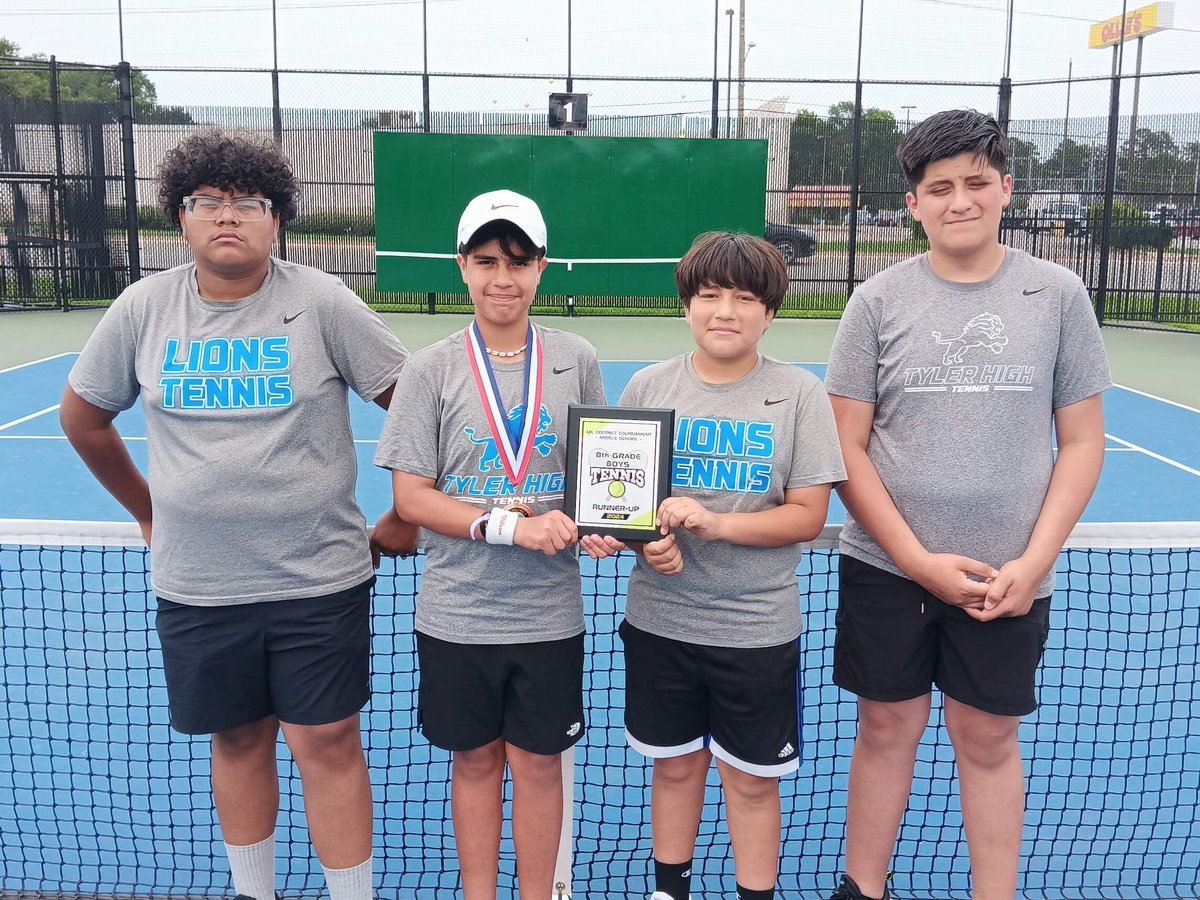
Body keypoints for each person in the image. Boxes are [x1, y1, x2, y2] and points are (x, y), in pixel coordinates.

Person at [60, 130, 414, 900]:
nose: (228, 216)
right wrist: (148, 510)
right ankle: (258, 894)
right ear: (180, 216)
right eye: (207, 201)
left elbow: (417, 406)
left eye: (248, 203)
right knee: (239, 737)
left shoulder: (322, 302)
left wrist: (407, 516)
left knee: (326, 740)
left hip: (318, 578)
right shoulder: (142, 309)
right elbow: (83, 419)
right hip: (198, 584)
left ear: (276, 218)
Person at [823, 109, 1110, 900]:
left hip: (1007, 578)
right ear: (911, 202)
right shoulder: (875, 302)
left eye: (976, 183)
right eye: (939, 187)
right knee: (886, 730)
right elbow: (844, 447)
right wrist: (915, 561)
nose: (960, 201)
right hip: (887, 570)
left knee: (986, 738)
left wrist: (1033, 563)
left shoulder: (1056, 294)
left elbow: (1083, 442)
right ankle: (862, 888)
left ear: (1006, 188)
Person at [375, 189, 614, 900]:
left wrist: (602, 520)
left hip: (547, 615)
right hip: (457, 615)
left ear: (542, 268)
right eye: (485, 261)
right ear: (462, 266)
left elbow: (597, 475)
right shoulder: (430, 368)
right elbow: (411, 499)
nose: (501, 278)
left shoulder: (577, 358)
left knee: (539, 768)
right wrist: (511, 524)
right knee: (475, 764)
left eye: (517, 261)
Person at [593, 232, 845, 900]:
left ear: (770, 313)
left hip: (755, 632)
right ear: (687, 306)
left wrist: (718, 523)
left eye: (744, 297)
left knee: (752, 782)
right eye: (709, 295)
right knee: (674, 770)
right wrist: (645, 542)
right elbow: (623, 508)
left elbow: (808, 515)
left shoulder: (798, 396)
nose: (725, 311)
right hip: (660, 626)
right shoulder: (649, 385)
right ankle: (668, 890)